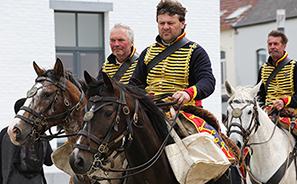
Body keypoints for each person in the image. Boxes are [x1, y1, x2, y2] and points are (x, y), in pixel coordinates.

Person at [129, 0, 240, 183]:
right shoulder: (147, 53)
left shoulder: (196, 51)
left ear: (182, 24)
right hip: (149, 111)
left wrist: (188, 93)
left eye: (170, 23)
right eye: (161, 23)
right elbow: (135, 84)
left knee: (217, 152)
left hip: (183, 113)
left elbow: (208, 81)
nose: (165, 27)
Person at [0, 99, 53, 184]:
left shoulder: (7, 133)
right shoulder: (41, 134)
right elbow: (49, 161)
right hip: (37, 180)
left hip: (13, 180)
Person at [257, 30, 297, 111]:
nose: (272, 47)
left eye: (276, 44)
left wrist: (284, 101)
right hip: (267, 113)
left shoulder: (295, 66)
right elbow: (260, 96)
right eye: (270, 44)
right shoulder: (263, 69)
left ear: (284, 46)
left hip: (290, 114)